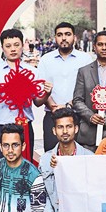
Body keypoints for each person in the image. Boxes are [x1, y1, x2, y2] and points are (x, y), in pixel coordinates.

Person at [0, 29, 51, 166]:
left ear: (23, 45)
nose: (13, 49)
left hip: (24, 127)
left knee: (24, 166)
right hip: (0, 125)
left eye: (16, 45)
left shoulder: (32, 71)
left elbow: (38, 102)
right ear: (2, 48)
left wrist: (47, 93)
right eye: (8, 46)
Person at [38, 108, 94, 212]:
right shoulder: (45, 159)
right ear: (54, 131)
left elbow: (93, 191)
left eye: (68, 126)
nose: (64, 131)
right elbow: (41, 192)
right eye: (60, 127)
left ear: (76, 129)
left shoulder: (88, 157)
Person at [37, 22, 90, 152]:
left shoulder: (85, 59)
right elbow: (41, 87)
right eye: (60, 35)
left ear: (74, 37)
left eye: (67, 34)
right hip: (52, 115)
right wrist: (53, 107)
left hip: (78, 116)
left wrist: (68, 106)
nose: (64, 38)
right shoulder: (46, 60)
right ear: (55, 38)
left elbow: (88, 88)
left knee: (78, 156)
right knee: (52, 156)